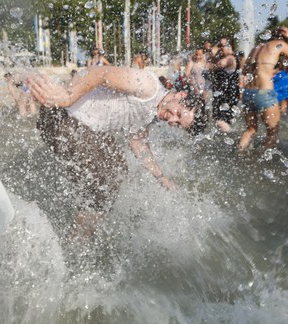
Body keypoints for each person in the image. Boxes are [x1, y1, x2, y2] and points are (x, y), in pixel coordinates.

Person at [26, 66, 206, 237]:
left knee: (117, 172)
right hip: (63, 118)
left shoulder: (151, 113)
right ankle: (77, 241)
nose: (172, 120)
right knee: (110, 177)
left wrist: (162, 178)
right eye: (178, 114)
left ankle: (74, 229)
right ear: (181, 95)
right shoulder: (148, 86)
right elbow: (99, 73)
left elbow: (138, 143)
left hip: (73, 125)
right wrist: (67, 97)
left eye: (177, 124)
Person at [238, 26, 288, 150]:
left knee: (250, 129)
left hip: (248, 93)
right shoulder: (280, 44)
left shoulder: (256, 48)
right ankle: (260, 161)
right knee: (272, 132)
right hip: (264, 93)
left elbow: (244, 71)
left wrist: (270, 70)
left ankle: (240, 154)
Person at [208, 39, 240, 132]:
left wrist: (213, 54)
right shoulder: (227, 58)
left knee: (220, 120)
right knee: (219, 119)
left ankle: (232, 139)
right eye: (219, 45)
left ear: (230, 47)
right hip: (223, 95)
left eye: (223, 45)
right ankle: (225, 139)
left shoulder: (230, 59)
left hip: (227, 96)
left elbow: (215, 66)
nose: (221, 48)